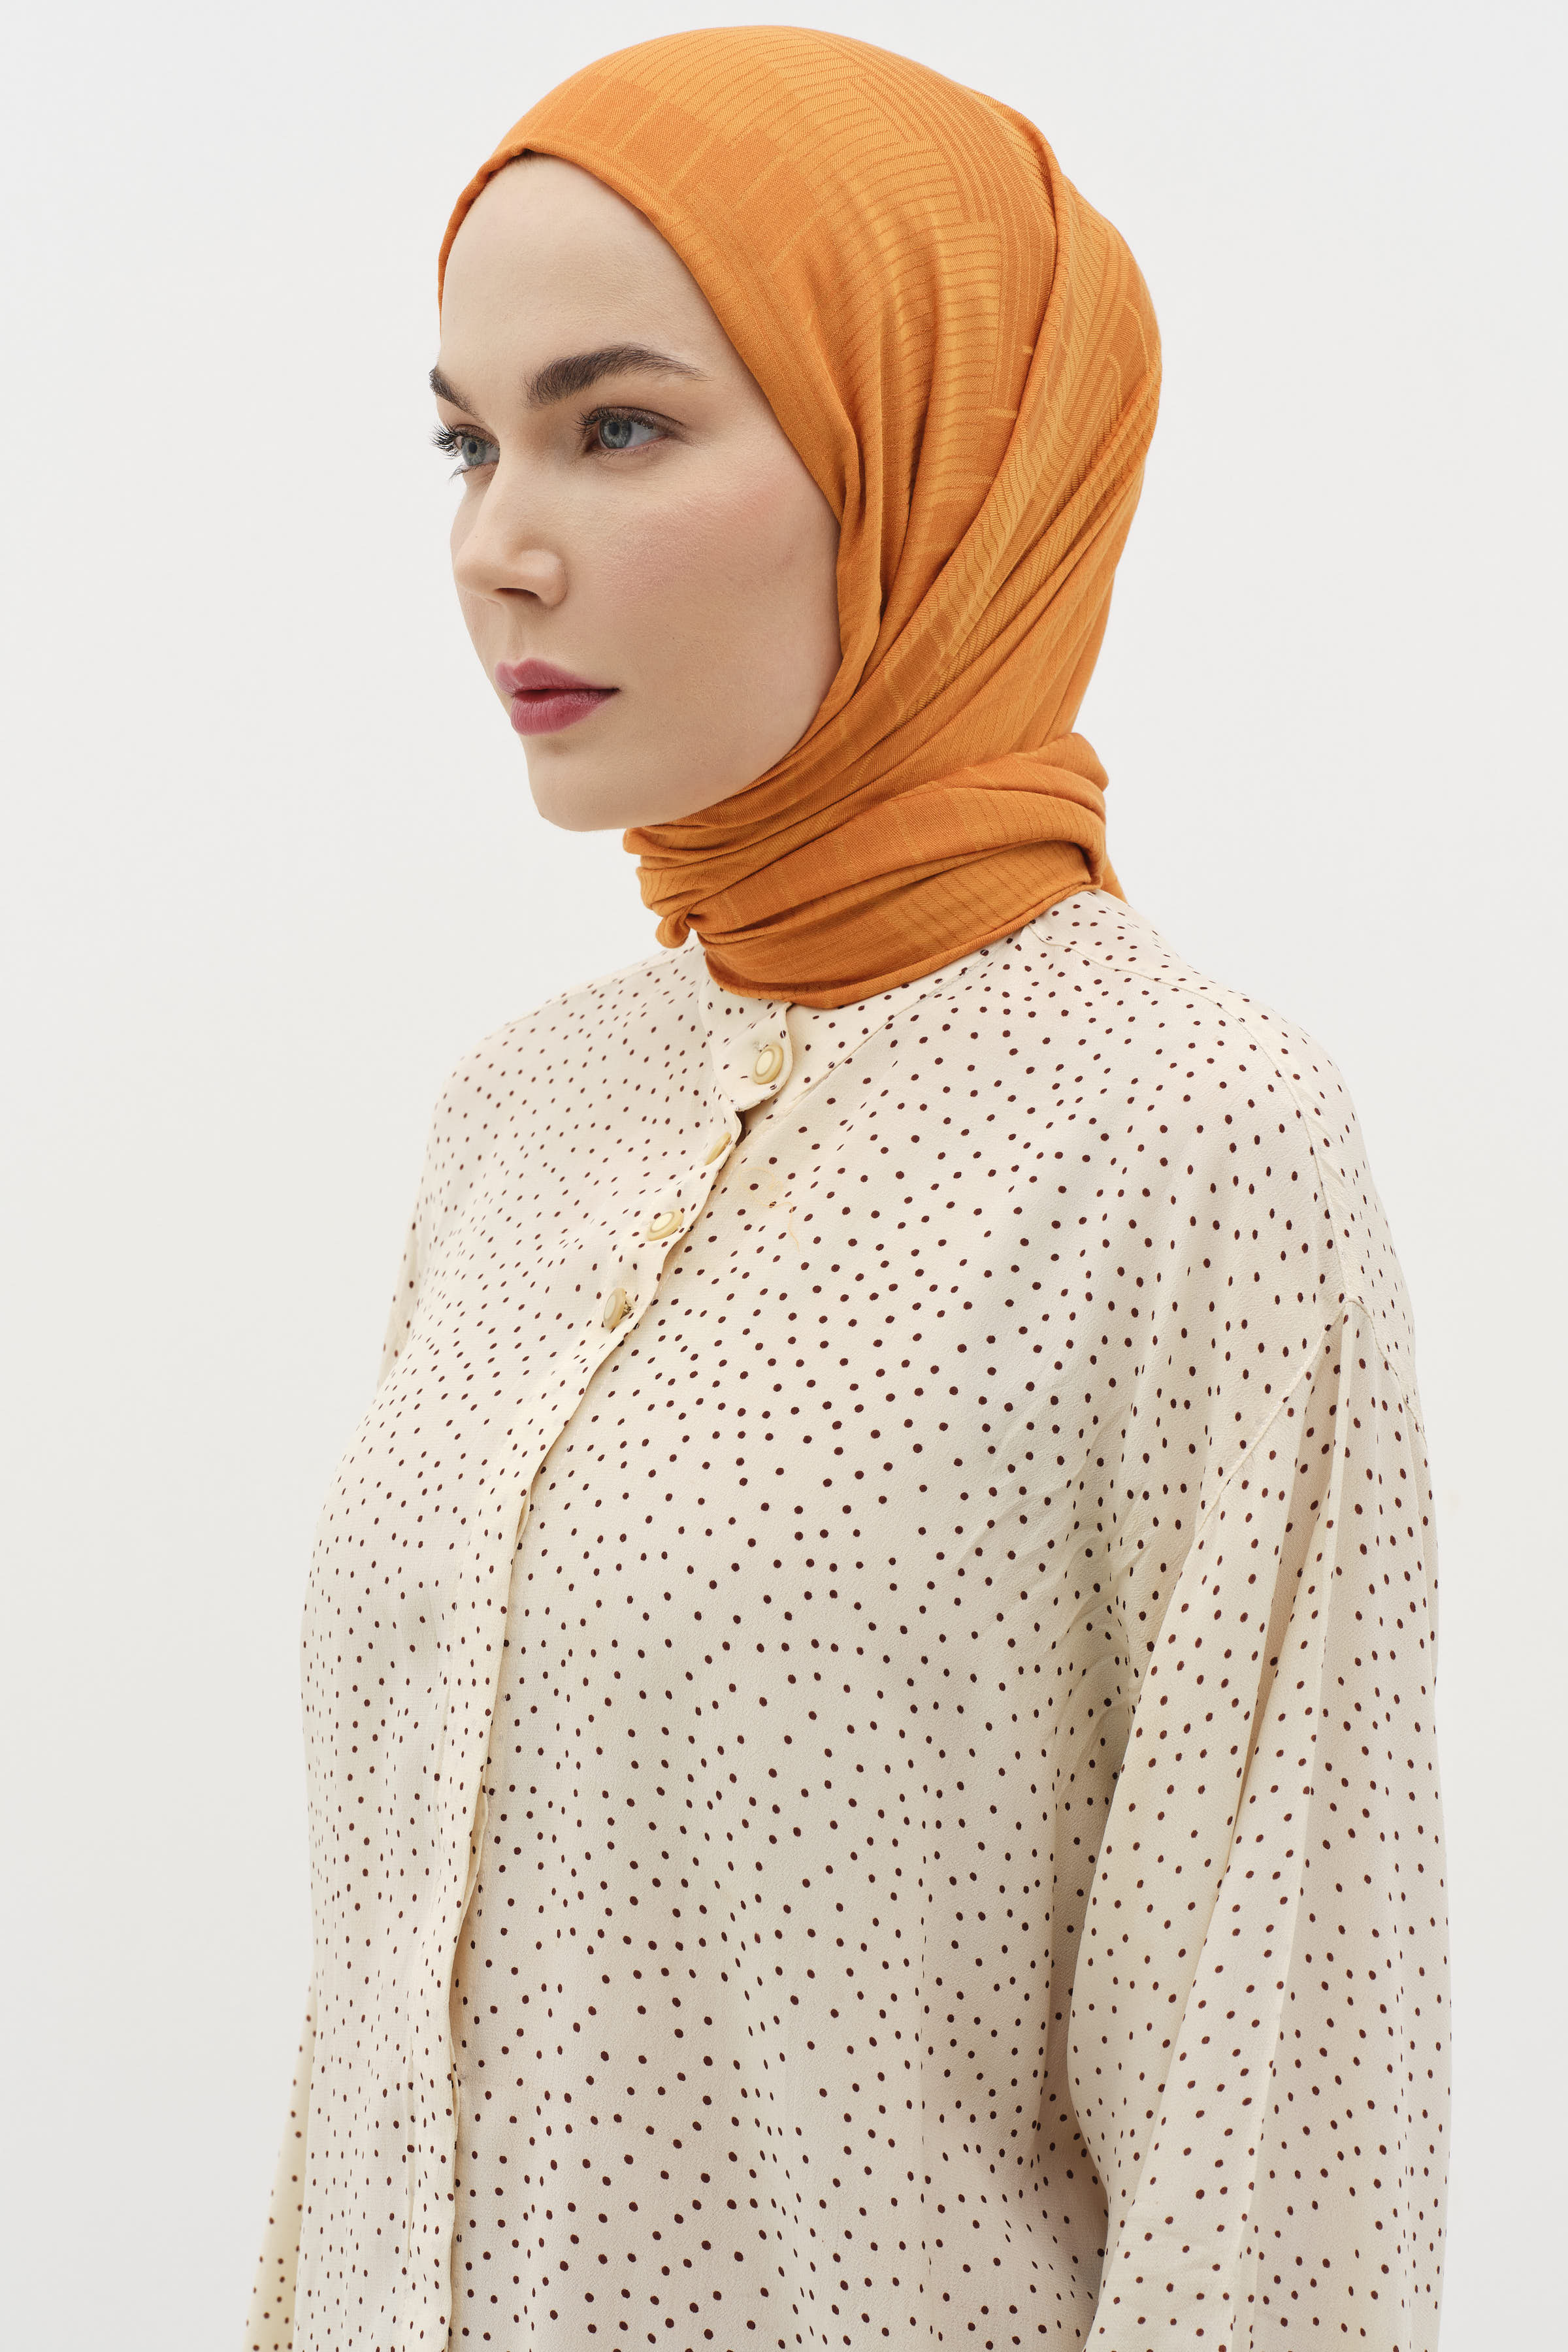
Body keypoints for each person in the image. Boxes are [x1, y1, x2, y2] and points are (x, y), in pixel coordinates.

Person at [247, 27, 1449, 2352]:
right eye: (467, 440)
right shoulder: (517, 1116)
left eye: (617, 426)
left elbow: (1275, 2131)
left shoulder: (1196, 1145)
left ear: (934, 461)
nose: (496, 546)